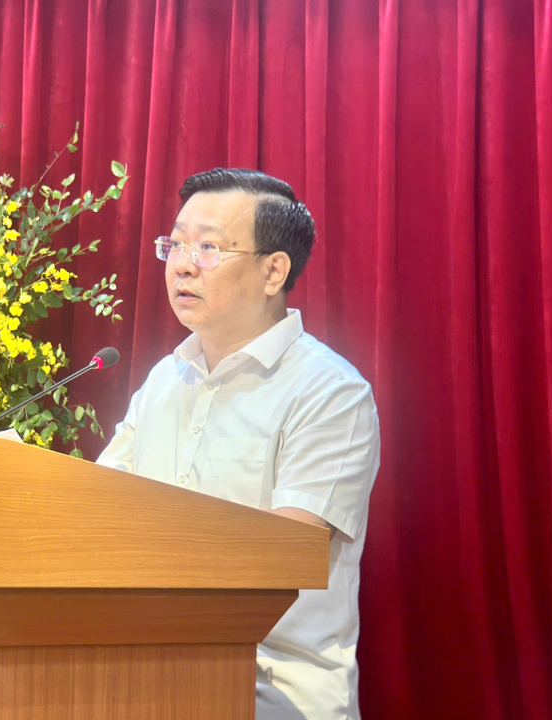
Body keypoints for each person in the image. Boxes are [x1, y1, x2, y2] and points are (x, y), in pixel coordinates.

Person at [97, 168, 380, 719]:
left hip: (274, 696)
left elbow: (280, 557)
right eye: (175, 243)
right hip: (146, 683)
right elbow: (98, 508)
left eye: (207, 247)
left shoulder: (330, 391)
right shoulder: (163, 380)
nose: (181, 263)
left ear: (274, 270)